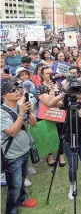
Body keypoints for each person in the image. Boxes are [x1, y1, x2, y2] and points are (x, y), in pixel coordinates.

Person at [48, 81, 81, 200]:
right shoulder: (68, 101)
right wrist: (64, 94)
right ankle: (72, 186)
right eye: (79, 90)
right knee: (73, 166)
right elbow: (50, 104)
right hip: (68, 139)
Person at [1, 81, 38, 213]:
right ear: (4, 95)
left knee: (21, 179)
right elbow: (12, 132)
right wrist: (22, 113)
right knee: (14, 187)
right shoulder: (2, 113)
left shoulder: (20, 107)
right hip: (13, 155)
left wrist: (29, 112)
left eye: (18, 89)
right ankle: (11, 211)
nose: (17, 91)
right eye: (13, 90)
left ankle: (22, 199)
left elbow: (34, 124)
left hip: (25, 150)